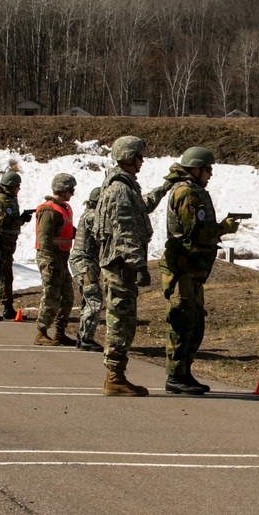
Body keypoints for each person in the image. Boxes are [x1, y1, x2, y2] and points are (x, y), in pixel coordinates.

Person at [158, 147, 240, 395]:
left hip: (192, 270)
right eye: (207, 169)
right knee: (182, 323)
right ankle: (175, 375)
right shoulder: (186, 193)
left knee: (194, 325)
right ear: (195, 168)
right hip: (182, 269)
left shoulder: (195, 191)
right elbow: (193, 233)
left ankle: (184, 372)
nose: (210, 174)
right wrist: (221, 229)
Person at [94, 135, 172, 396]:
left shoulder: (125, 186)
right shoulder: (120, 189)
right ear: (128, 157)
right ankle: (114, 377)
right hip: (121, 265)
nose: (142, 161)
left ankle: (116, 375)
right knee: (121, 320)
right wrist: (139, 266)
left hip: (120, 262)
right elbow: (124, 231)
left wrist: (165, 187)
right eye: (138, 156)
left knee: (123, 318)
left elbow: (143, 207)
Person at [0, 171, 33, 320]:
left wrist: (20, 219)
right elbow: (5, 221)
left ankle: (7, 307)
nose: (19, 189)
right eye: (17, 186)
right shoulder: (1, 200)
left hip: (7, 242)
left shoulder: (10, 198)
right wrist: (20, 219)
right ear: (11, 186)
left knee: (7, 276)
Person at [33, 173, 77, 346]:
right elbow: (43, 239)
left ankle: (60, 332)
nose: (72, 194)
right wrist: (50, 262)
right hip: (50, 257)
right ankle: (41, 332)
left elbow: (67, 230)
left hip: (61, 257)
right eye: (71, 190)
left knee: (67, 295)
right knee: (51, 294)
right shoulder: (49, 210)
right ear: (63, 190)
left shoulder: (63, 208)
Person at [70, 187, 104, 352]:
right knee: (94, 299)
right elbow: (104, 233)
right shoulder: (92, 216)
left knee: (88, 299)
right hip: (84, 263)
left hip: (86, 262)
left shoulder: (89, 214)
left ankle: (83, 336)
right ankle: (86, 338)